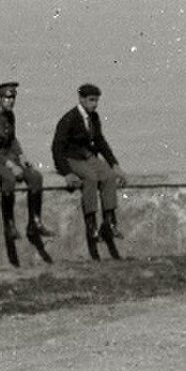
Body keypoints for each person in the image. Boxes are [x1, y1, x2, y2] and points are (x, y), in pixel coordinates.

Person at [51, 83, 124, 258]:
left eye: (96, 100)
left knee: (108, 176)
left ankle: (109, 223)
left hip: (89, 156)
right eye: (91, 100)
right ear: (81, 99)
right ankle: (91, 226)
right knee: (90, 178)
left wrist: (114, 163)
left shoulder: (94, 118)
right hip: (72, 158)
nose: (94, 104)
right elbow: (57, 148)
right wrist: (67, 172)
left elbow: (100, 141)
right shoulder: (69, 119)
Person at [0, 81, 50, 244]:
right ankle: (9, 225)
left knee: (35, 177)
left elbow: (12, 139)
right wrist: (11, 165)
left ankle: (34, 222)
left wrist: (21, 156)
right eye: (8, 98)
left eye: (13, 98)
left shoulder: (9, 115)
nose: (11, 101)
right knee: (8, 178)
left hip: (6, 157)